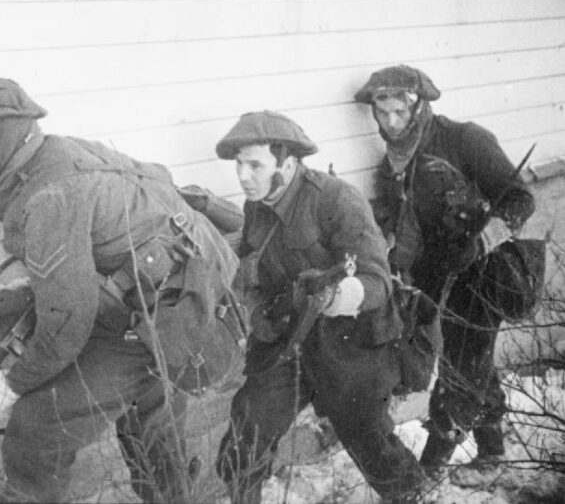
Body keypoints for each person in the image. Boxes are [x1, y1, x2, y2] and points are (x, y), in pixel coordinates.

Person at [0, 76, 247, 503]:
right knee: (151, 422)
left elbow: (67, 324)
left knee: (38, 427)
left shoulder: (50, 194)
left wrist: (12, 385)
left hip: (165, 318)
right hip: (179, 306)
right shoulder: (56, 154)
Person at [213, 110, 427, 503]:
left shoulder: (336, 199)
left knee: (369, 440)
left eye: (255, 165)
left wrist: (339, 296)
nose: (243, 176)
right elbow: (253, 267)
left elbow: (376, 281)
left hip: (350, 343)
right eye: (239, 165)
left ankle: (408, 497)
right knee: (247, 432)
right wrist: (257, 309)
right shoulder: (255, 207)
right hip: (288, 340)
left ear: (288, 162)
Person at [355, 65, 536, 482]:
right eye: (382, 114)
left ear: (419, 107)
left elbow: (521, 199)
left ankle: (430, 467)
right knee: (471, 361)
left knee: (460, 366)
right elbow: (399, 220)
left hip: (482, 274)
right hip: (437, 280)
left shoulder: (464, 139)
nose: (391, 123)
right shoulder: (393, 164)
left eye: (399, 112)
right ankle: (492, 452)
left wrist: (485, 236)